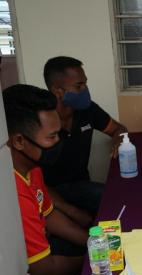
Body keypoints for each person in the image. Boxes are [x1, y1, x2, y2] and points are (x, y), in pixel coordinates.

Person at [3, 84, 85, 275]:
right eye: (51, 137)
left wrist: (92, 240)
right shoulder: (13, 190)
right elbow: (41, 272)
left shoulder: (31, 168)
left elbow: (50, 217)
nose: (59, 142)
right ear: (19, 140)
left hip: (42, 257)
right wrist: (90, 258)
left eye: (59, 133)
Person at [42, 56, 127, 216]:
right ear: (57, 91)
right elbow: (33, 182)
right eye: (79, 85)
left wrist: (119, 139)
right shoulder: (40, 121)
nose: (85, 90)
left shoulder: (88, 110)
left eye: (85, 83)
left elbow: (119, 129)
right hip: (50, 194)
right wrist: (73, 212)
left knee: (119, 199)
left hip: (81, 185)